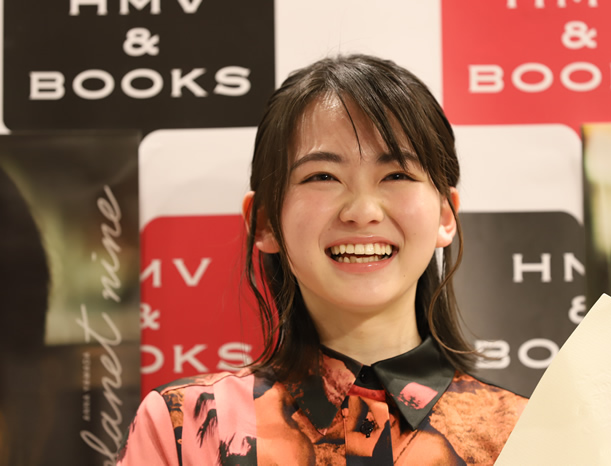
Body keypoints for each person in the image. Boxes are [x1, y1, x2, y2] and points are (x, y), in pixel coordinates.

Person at [117, 54, 527, 465]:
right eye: (323, 177)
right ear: (265, 223)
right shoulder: (187, 428)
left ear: (445, 215)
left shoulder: (522, 435)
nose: (362, 211)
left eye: (397, 175)